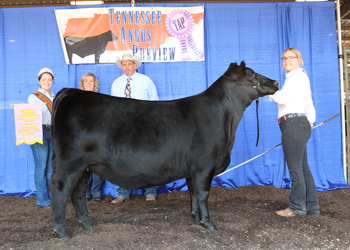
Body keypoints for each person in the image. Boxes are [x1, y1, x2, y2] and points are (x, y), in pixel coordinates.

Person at [269, 48, 319, 217]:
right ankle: (311, 207)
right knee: (303, 168)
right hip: (299, 124)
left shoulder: (297, 78)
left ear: (299, 59)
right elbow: (309, 102)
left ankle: (297, 207)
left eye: (291, 57)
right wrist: (310, 120)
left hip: (293, 124)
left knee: (296, 169)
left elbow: (282, 98)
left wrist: (269, 92)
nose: (286, 61)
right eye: (284, 58)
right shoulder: (299, 78)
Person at [110, 52, 159, 203]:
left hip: (143, 126)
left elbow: (155, 104)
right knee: (122, 160)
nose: (126, 67)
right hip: (123, 127)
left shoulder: (146, 81)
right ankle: (123, 192)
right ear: (121, 67)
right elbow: (113, 107)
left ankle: (150, 191)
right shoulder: (116, 83)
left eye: (129, 64)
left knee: (146, 158)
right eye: (124, 64)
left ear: (135, 65)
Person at [27, 67, 55, 208]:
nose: (47, 81)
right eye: (44, 79)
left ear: (52, 81)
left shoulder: (55, 97)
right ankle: (42, 200)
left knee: (51, 168)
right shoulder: (33, 97)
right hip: (39, 132)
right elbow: (29, 116)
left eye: (49, 79)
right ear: (39, 81)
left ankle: (52, 198)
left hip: (53, 133)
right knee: (41, 167)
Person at [78, 73, 103, 202]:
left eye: (91, 81)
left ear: (95, 84)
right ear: (82, 83)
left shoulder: (99, 100)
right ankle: (85, 192)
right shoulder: (77, 100)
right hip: (83, 136)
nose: (88, 83)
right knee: (84, 165)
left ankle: (96, 191)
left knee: (97, 163)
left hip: (97, 136)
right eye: (86, 81)